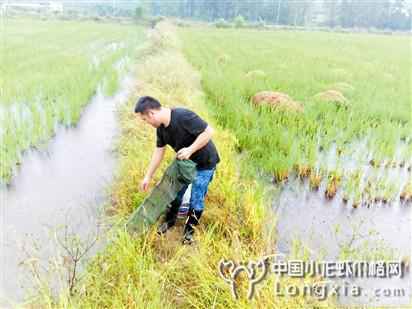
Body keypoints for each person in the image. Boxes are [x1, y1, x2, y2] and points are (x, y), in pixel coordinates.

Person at [134, 96, 220, 244]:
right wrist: (148, 176)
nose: (146, 123)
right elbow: (158, 152)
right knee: (175, 193)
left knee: (196, 199)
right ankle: (170, 221)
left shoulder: (182, 116)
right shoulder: (161, 129)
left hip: (205, 163)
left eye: (144, 120)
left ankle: (188, 233)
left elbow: (209, 132)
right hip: (185, 163)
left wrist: (190, 149)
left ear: (151, 114)